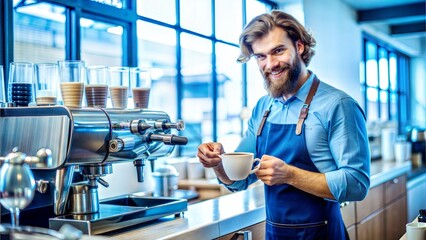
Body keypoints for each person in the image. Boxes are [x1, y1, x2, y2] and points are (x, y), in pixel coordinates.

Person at [197, 10, 370, 240]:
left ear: (299, 47)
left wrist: (289, 175)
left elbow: (357, 183)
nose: (270, 64)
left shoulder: (338, 104)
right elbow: (239, 180)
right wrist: (218, 163)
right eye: (260, 56)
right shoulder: (263, 108)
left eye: (278, 51)